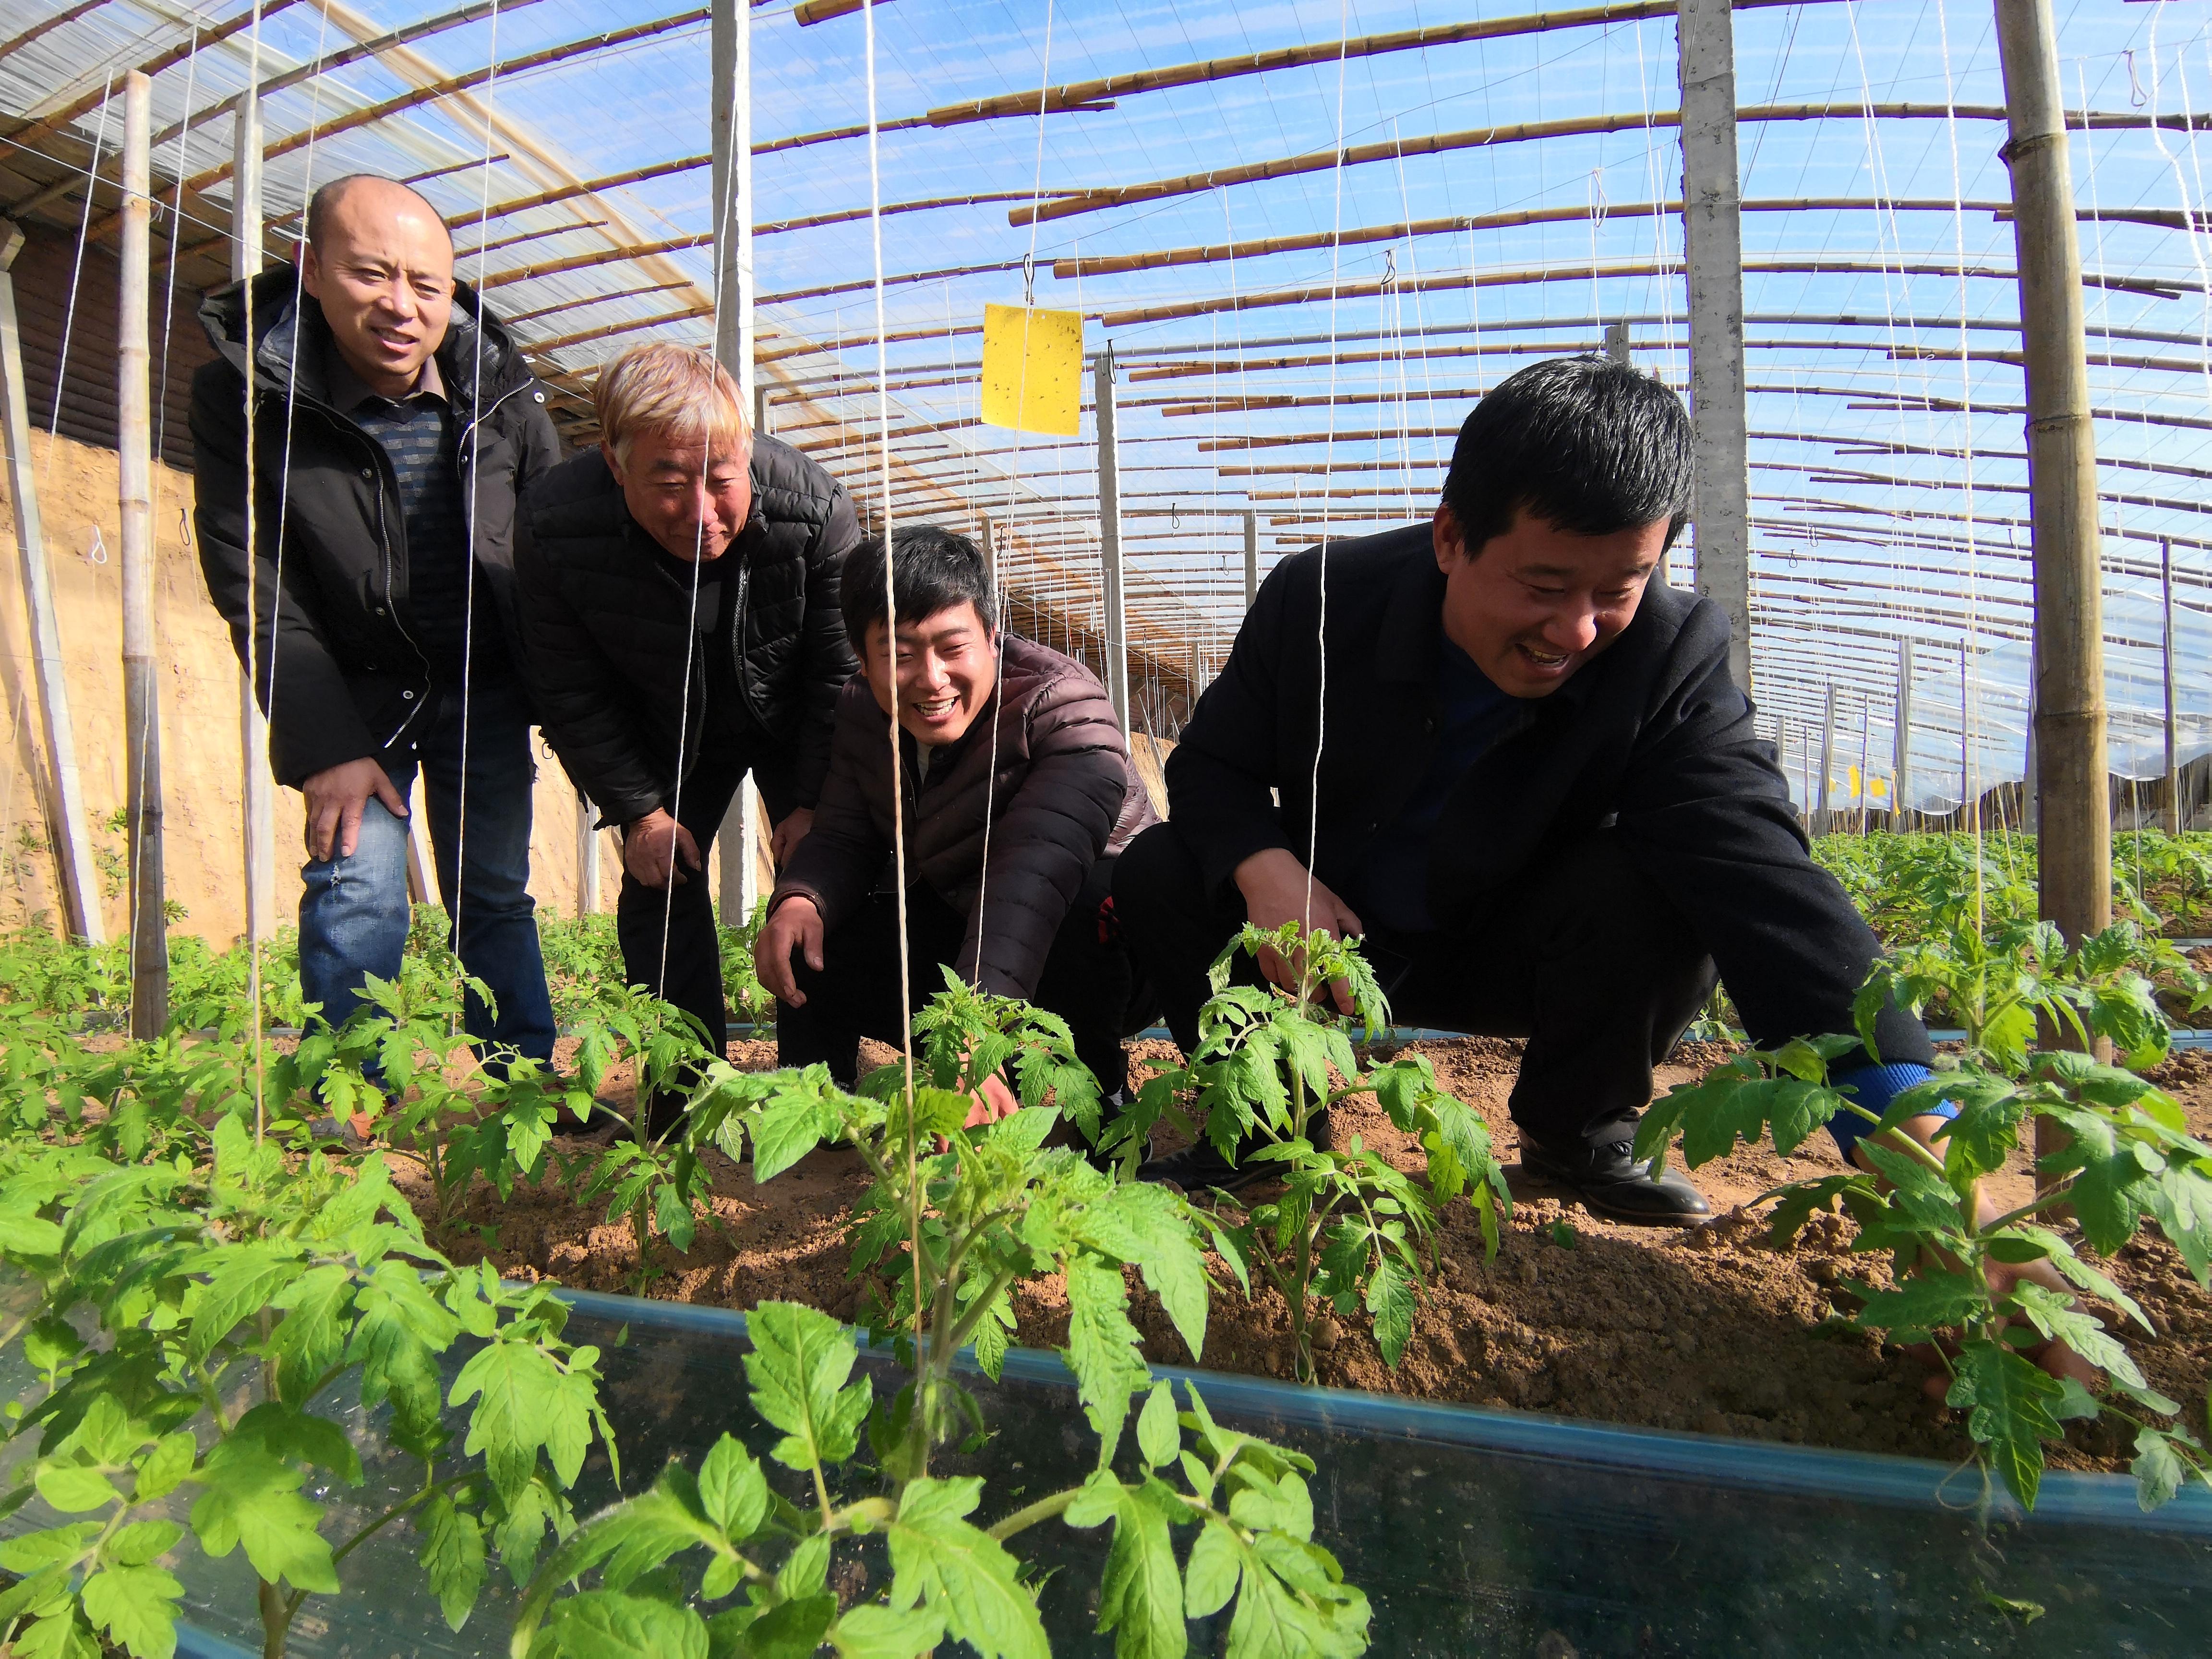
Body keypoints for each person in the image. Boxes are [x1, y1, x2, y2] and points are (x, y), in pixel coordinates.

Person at [1114, 355, 1952, 1224]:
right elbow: (1210, 764)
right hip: (1323, 950)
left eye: (1617, 590)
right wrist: (1266, 870)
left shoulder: (1667, 654)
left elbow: (1762, 880)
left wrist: (1924, 1157)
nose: (1576, 629)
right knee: (1162, 869)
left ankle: (1577, 1138)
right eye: (1544, 586)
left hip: (1512, 954)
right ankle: (1260, 1133)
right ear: (1450, 538)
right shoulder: (1321, 600)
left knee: (1660, 888)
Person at [192, 172, 559, 1068]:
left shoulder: (501, 393)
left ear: (452, 292)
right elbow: (255, 577)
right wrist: (323, 742)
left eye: (425, 286)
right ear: (309, 270)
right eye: (371, 275)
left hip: (485, 686)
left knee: (495, 890)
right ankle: (350, 1091)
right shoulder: (248, 397)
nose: (401, 306)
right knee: (356, 886)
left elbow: (557, 543)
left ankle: (521, 1073)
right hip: (355, 689)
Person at [516, 343, 858, 1113]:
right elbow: (568, 687)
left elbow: (838, 676)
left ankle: (821, 1093)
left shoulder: (815, 510)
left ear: (747, 449)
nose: (701, 512)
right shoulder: (554, 526)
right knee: (659, 887)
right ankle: (686, 1093)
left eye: (721, 479)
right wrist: (639, 809)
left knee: (821, 876)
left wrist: (811, 804)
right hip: (663, 721)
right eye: (669, 483)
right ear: (614, 463)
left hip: (789, 711)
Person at [755, 525, 1156, 1116]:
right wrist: (800, 899)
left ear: (992, 637)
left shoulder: (1062, 707)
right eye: (900, 655)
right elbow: (842, 835)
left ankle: (1100, 1106)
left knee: (1079, 904)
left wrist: (973, 1038)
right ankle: (816, 1104)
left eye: (952, 648)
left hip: (1104, 950)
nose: (932, 679)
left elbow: (1031, 884)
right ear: (863, 661)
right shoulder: (863, 711)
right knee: (812, 923)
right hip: (973, 930)